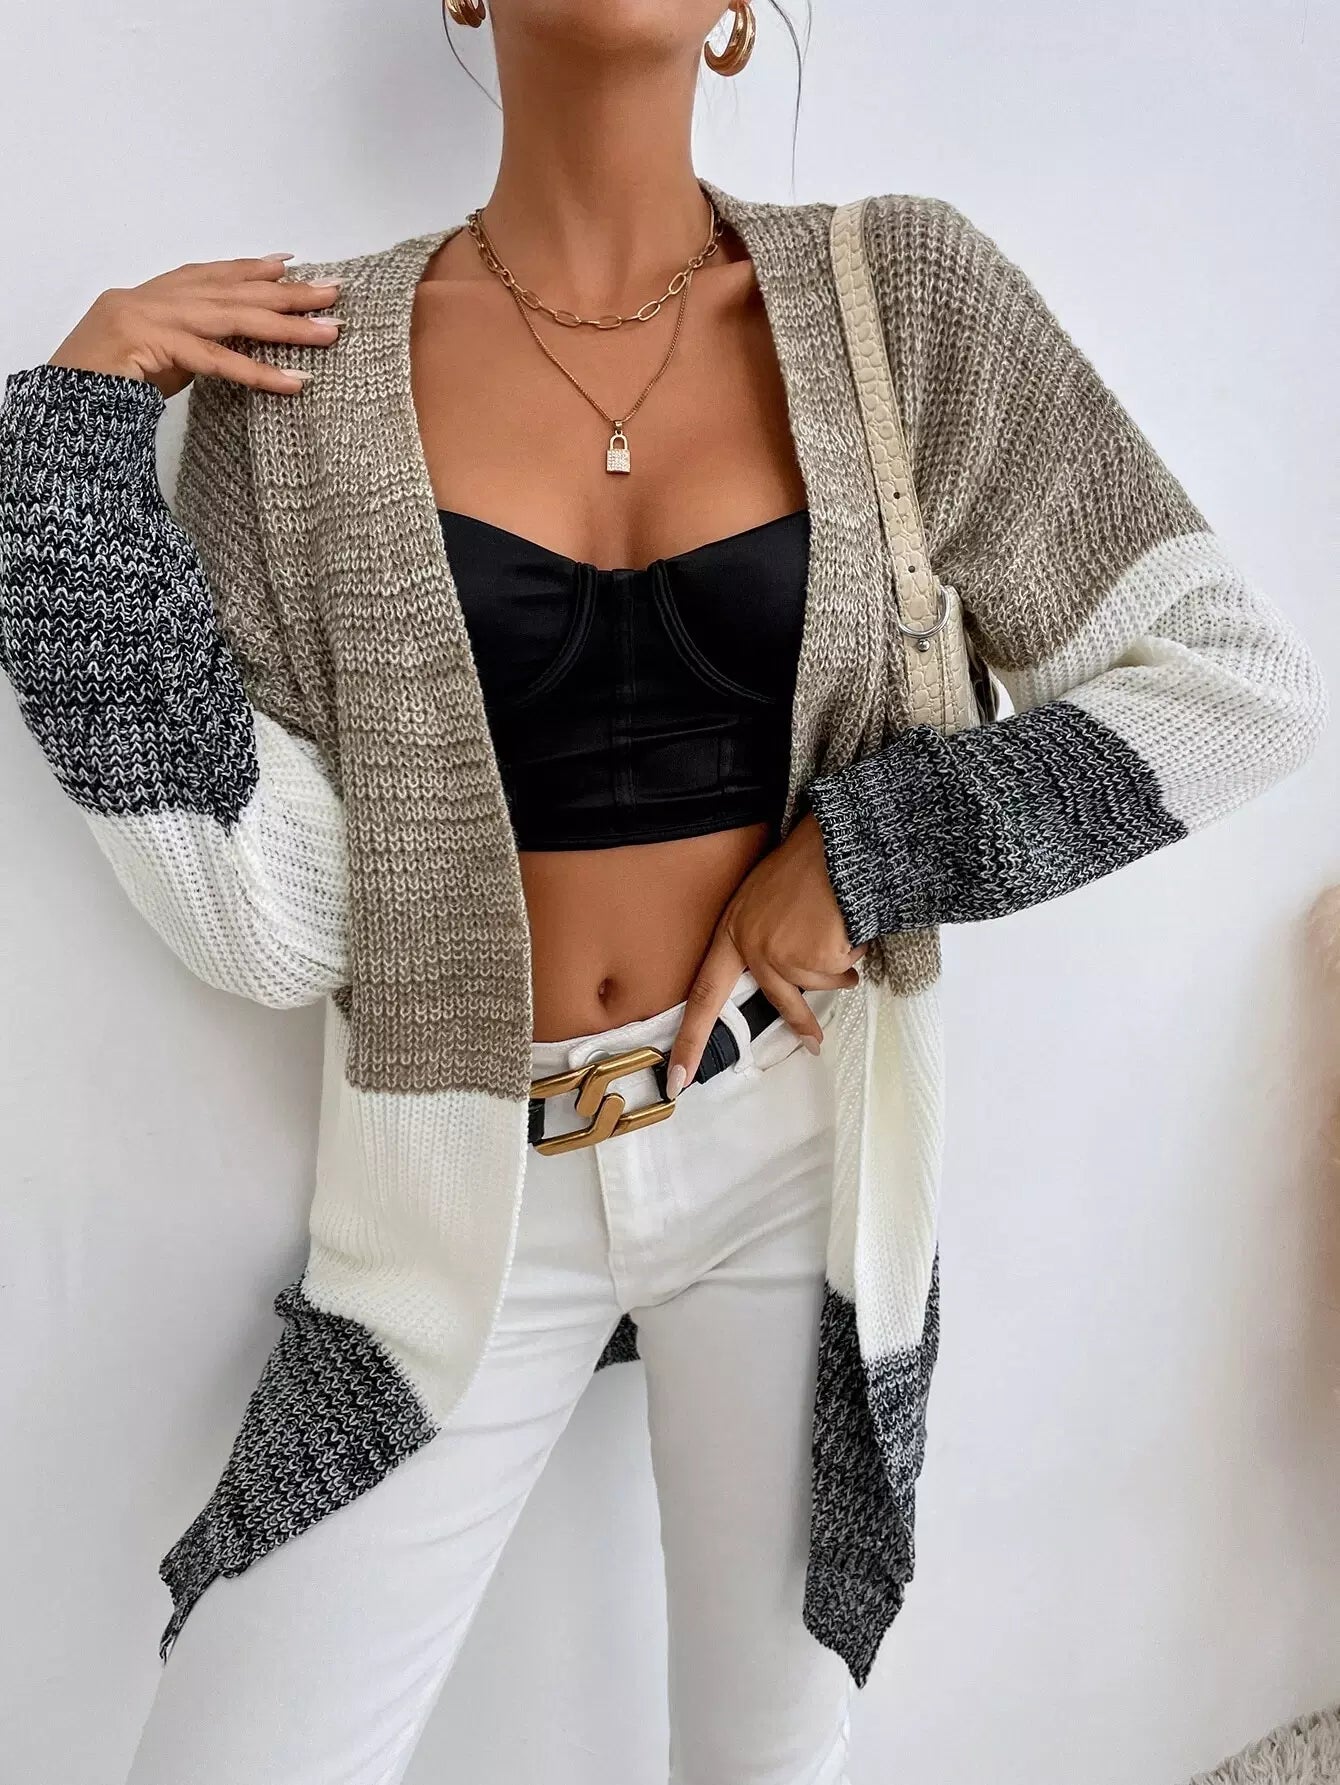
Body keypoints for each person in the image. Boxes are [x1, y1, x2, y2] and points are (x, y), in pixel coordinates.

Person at [0, 2, 1325, 1781]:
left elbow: (1234, 682)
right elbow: (269, 918)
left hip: (796, 1157)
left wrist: (865, 853)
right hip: (458, 1199)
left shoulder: (901, 304)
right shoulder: (297, 380)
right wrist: (69, 457)